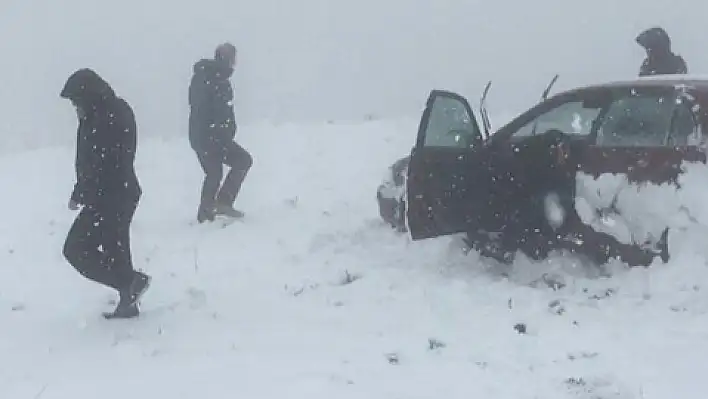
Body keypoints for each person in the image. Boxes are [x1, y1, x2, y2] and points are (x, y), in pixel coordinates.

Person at [486, 130, 669, 267]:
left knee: (595, 239)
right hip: (547, 225)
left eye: (565, 151)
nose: (565, 156)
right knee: (590, 239)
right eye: (560, 151)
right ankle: (630, 257)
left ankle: (632, 257)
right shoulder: (534, 174)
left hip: (558, 220)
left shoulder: (551, 170)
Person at [60, 68, 151, 319]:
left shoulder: (107, 115)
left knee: (75, 249)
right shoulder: (100, 113)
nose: (74, 107)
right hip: (114, 193)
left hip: (112, 195)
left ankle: (130, 283)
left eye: (75, 101)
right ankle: (128, 303)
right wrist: (81, 191)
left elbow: (106, 160)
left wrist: (88, 190)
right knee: (115, 248)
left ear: (87, 95)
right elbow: (91, 161)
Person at [188, 42, 253, 223]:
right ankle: (209, 213)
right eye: (233, 58)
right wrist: (217, 131)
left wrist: (224, 130)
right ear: (229, 59)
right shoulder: (211, 78)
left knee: (232, 165)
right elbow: (208, 109)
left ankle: (217, 207)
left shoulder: (213, 77)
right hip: (208, 137)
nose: (235, 62)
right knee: (219, 171)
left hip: (209, 136)